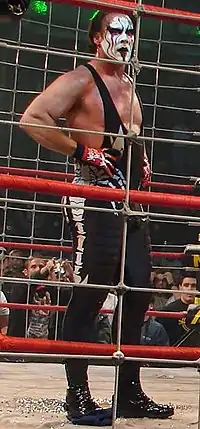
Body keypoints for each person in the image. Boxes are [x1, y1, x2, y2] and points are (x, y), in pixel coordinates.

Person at [20, 11, 174, 424]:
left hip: (131, 202)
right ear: (95, 37)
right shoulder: (81, 80)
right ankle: (78, 396)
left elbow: (130, 139)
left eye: (129, 30)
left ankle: (129, 394)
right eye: (115, 30)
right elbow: (33, 119)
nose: (124, 37)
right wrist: (80, 150)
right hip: (92, 198)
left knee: (138, 294)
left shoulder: (130, 83)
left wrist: (144, 167)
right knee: (90, 294)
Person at [156, 272, 200, 346]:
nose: (190, 289)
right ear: (180, 287)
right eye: (186, 285)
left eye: (193, 286)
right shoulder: (168, 310)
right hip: (175, 352)